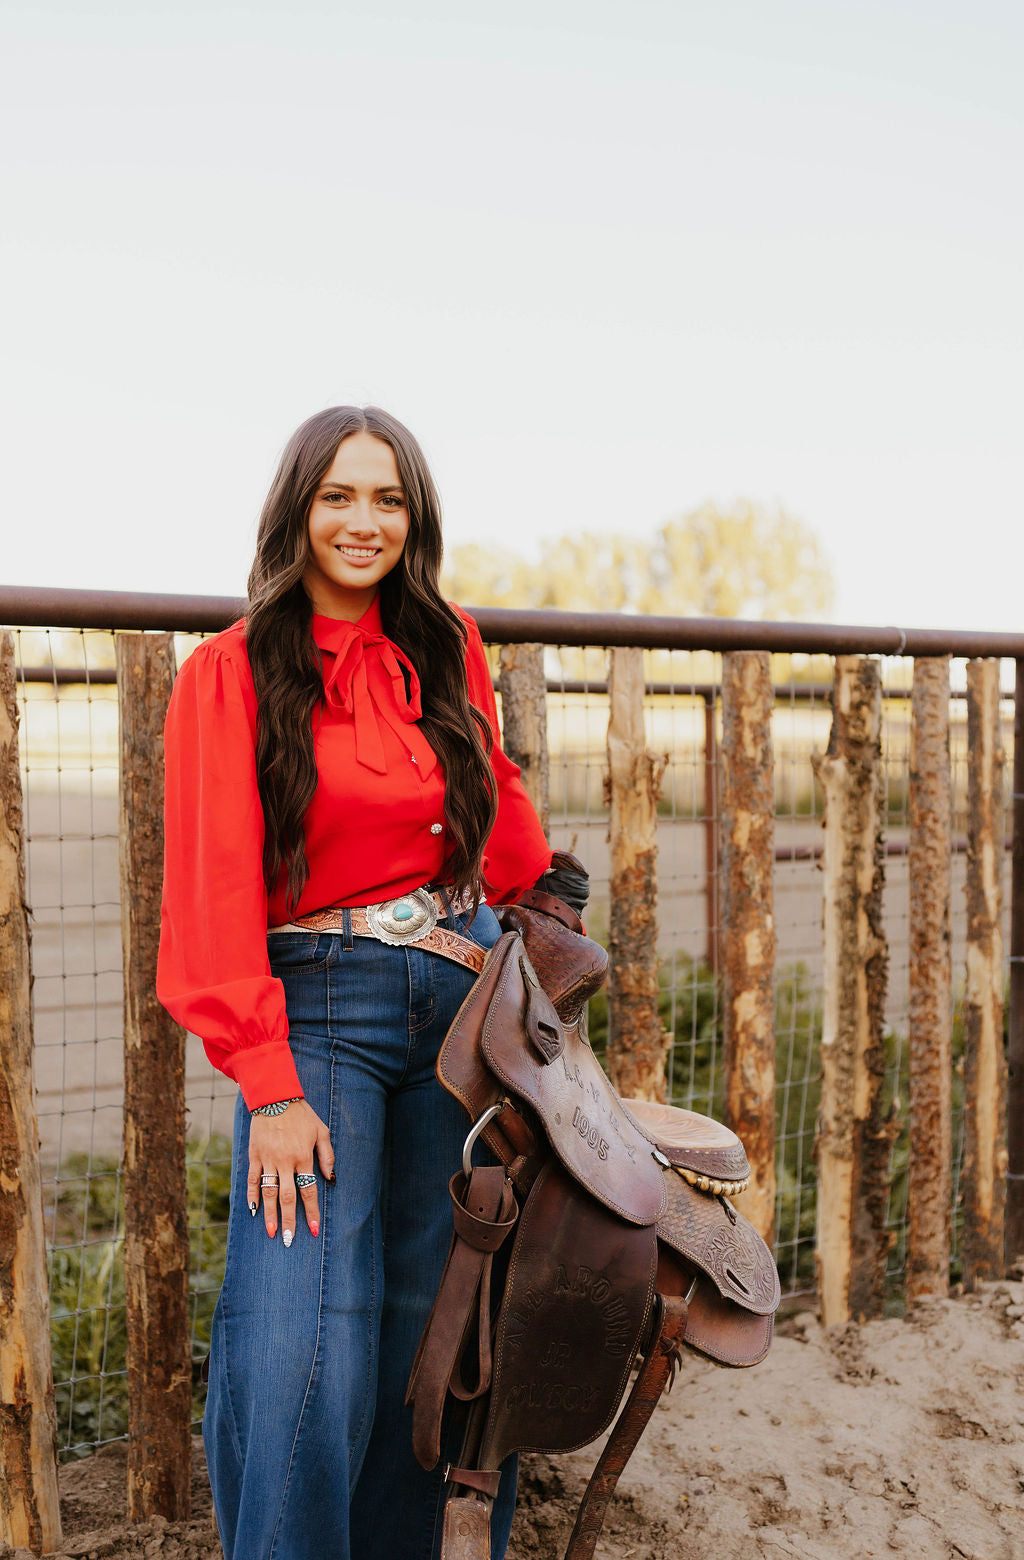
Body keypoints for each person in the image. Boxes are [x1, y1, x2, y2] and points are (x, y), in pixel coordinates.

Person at [156, 406, 585, 1560]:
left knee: (432, 1332)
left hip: (457, 1016)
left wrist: (548, 895)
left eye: (387, 499)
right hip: (317, 1011)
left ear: (415, 517)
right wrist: (269, 1085)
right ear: (298, 507)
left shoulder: (447, 645)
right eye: (338, 496)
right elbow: (208, 894)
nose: (363, 521)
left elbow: (491, 802)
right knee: (303, 1337)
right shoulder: (232, 671)